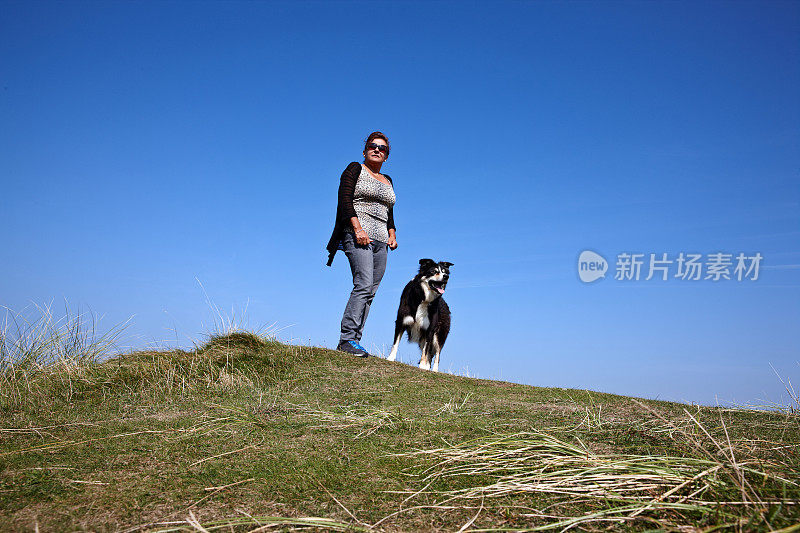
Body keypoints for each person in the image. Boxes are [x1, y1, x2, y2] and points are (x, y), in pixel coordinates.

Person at [326, 132, 398, 356]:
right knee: (363, 284)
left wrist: (392, 234)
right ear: (365, 150)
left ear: (386, 156)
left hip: (381, 242)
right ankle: (346, 339)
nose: (377, 150)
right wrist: (358, 229)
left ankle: (355, 341)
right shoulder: (355, 169)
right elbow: (345, 200)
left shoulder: (388, 180)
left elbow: (389, 211)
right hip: (357, 235)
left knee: (371, 291)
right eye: (372, 146)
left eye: (382, 148)